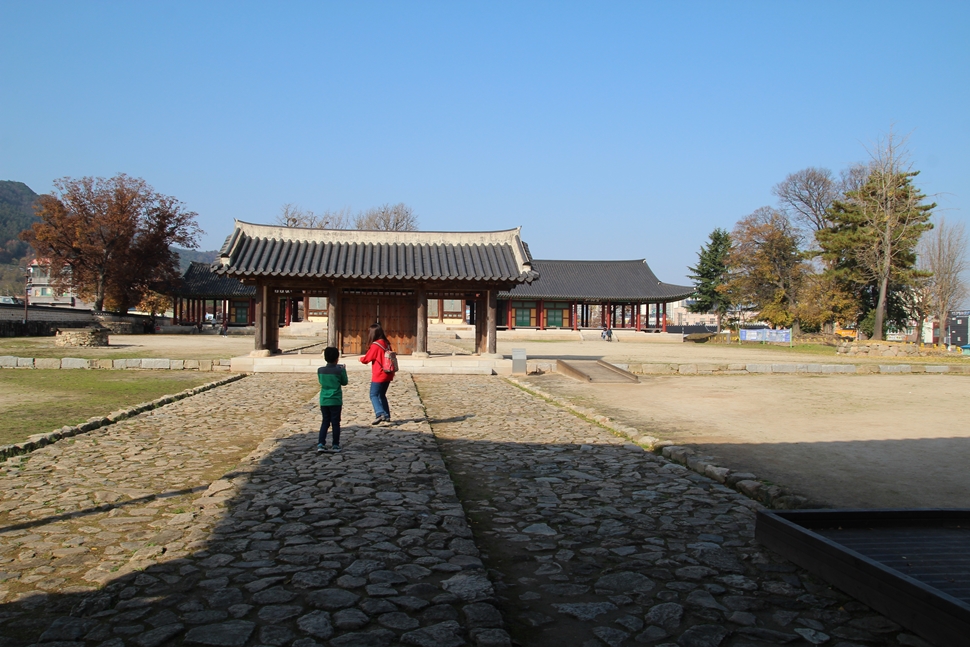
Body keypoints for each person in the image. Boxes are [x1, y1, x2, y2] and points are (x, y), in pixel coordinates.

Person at [360, 323, 395, 425]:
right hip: (388, 373)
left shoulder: (375, 345)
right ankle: (387, 415)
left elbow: (367, 359)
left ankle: (379, 413)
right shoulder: (386, 343)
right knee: (382, 395)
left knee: (373, 394)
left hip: (379, 374)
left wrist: (361, 359)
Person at [317, 346, 348, 453]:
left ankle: (321, 443)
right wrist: (343, 370)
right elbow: (344, 382)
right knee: (335, 423)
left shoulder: (320, 370)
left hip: (324, 400)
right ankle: (335, 444)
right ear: (337, 358)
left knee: (325, 422)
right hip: (335, 400)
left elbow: (321, 382)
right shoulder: (339, 371)